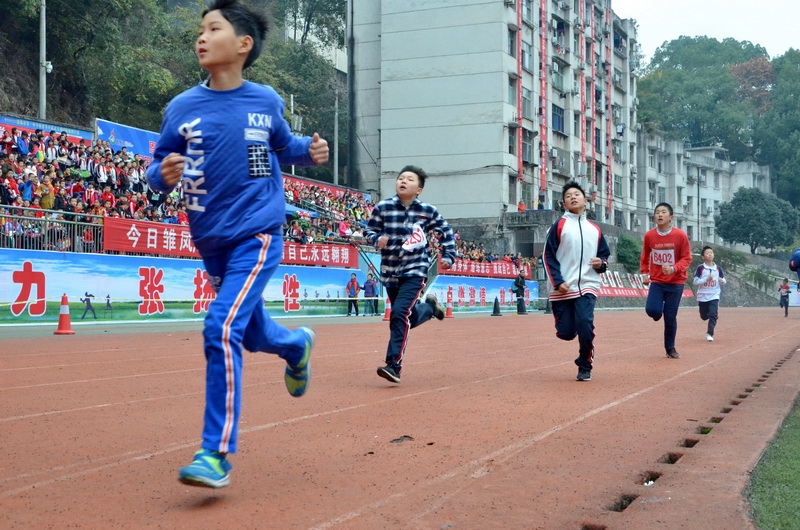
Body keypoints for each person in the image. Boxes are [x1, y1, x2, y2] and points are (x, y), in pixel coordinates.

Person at [145, 0, 329, 489]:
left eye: (213, 28)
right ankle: (295, 345)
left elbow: (282, 145)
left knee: (219, 327)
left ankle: (216, 451)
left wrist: (308, 154)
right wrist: (161, 174)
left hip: (258, 232)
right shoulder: (181, 108)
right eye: (200, 30)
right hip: (211, 241)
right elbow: (158, 163)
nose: (201, 37)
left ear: (243, 44)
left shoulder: (265, 100)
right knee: (247, 333)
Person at [365, 165, 455, 383]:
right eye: (400, 178)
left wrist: (448, 255)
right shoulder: (383, 207)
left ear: (419, 190)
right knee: (405, 316)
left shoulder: (427, 211)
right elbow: (369, 230)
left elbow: (446, 231)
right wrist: (376, 240)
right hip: (390, 271)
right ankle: (429, 308)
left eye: (410, 179)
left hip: (415, 269)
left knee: (398, 314)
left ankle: (393, 366)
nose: (403, 181)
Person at [542, 182, 610, 381]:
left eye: (577, 194)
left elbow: (604, 255)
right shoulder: (559, 226)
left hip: (589, 284)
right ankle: (568, 331)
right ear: (564, 204)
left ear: (585, 201)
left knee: (585, 324)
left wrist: (601, 264)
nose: (573, 197)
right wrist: (557, 281)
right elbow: (548, 256)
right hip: (563, 287)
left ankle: (584, 364)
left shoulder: (595, 229)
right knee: (566, 332)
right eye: (568, 195)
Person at [640, 203, 692, 359]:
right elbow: (645, 256)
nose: (659, 215)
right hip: (657, 280)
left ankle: (670, 348)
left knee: (670, 317)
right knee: (652, 310)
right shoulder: (649, 235)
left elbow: (687, 258)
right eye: (657, 212)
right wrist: (644, 273)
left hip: (676, 282)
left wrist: (674, 268)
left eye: (663, 212)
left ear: (671, 218)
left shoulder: (680, 235)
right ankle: (657, 313)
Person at [692, 246, 726, 341]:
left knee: (712, 314)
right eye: (707, 253)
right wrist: (705, 280)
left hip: (714, 294)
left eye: (711, 252)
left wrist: (721, 280)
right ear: (703, 257)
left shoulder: (718, 269)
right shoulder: (700, 268)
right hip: (703, 295)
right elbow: (695, 282)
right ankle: (712, 314)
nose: (710, 254)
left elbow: (724, 280)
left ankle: (709, 334)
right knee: (703, 317)